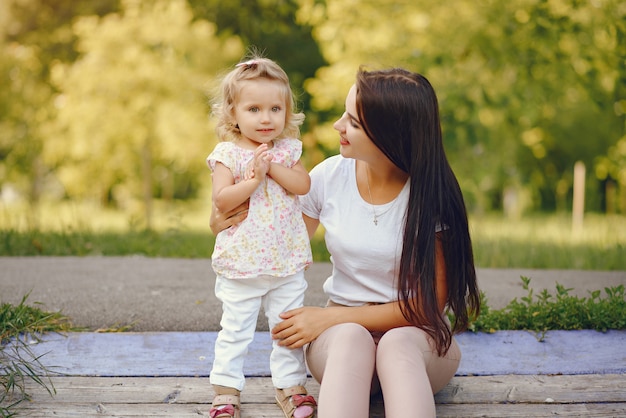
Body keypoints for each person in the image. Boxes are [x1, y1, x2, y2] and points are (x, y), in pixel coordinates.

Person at [212, 66, 480, 417]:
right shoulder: (328, 176)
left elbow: (429, 306)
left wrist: (329, 317)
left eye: (353, 122)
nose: (338, 126)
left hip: (417, 338)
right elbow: (281, 240)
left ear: (389, 135)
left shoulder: (431, 194)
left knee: (396, 346)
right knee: (352, 338)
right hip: (342, 337)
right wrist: (224, 219)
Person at [206, 55, 317, 418]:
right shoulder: (228, 154)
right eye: (254, 109)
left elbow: (303, 184)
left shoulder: (287, 151)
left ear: (287, 112)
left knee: (287, 328)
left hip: (286, 262)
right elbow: (222, 200)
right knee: (235, 329)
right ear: (233, 112)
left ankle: (290, 386)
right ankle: (226, 391)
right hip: (242, 262)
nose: (266, 118)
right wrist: (253, 180)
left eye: (275, 108)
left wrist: (273, 170)